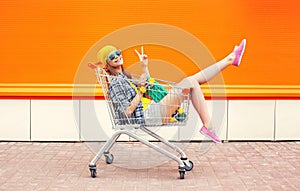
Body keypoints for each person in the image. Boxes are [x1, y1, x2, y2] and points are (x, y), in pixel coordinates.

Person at [96, 39, 246, 143]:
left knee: (192, 81)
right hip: (147, 116)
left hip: (151, 110)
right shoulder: (116, 83)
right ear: (107, 63)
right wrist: (141, 91)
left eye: (117, 52)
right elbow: (127, 112)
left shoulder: (125, 77)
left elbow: (146, 84)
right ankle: (230, 60)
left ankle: (230, 59)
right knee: (191, 81)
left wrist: (144, 66)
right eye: (111, 56)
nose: (116, 56)